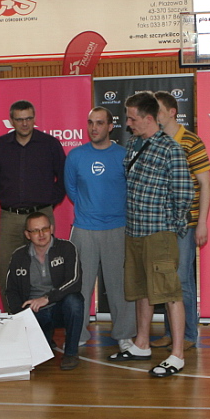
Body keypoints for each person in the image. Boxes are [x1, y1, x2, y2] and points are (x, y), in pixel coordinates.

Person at [108, 92, 193, 378]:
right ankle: (141, 344)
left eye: (132, 118)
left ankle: (177, 354)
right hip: (134, 231)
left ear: (148, 118)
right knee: (142, 290)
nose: (128, 123)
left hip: (159, 234)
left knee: (169, 293)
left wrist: (170, 227)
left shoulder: (171, 149)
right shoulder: (134, 145)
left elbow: (184, 194)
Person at [64, 107, 135, 352]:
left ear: (110, 127)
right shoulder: (76, 156)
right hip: (84, 229)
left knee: (119, 286)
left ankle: (124, 334)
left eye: (100, 123)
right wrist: (90, 210)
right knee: (80, 286)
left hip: (117, 228)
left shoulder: (123, 155)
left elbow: (130, 190)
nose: (94, 128)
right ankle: (79, 333)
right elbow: (72, 189)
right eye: (90, 122)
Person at [149, 91, 210, 351]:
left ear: (172, 112)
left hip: (185, 223)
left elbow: (205, 184)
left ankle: (188, 335)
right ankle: (170, 332)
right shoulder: (154, 141)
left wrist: (202, 222)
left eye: (158, 110)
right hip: (159, 224)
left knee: (182, 279)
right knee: (166, 278)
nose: (154, 115)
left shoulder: (191, 141)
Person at [0, 100, 66, 312]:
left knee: (46, 269)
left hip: (41, 215)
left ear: (34, 119)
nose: (25, 123)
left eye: (29, 118)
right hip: (11, 218)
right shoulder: (0, 146)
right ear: (11, 121)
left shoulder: (50, 144)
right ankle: (13, 319)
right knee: (6, 270)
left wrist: (49, 201)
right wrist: (7, 197)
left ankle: (45, 320)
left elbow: (64, 177)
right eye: (20, 119)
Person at [6, 212, 83, 371]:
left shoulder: (66, 248)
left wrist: (47, 298)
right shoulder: (18, 256)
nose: (41, 234)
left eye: (45, 229)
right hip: (35, 312)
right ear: (27, 234)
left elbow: (74, 281)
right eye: (35, 231)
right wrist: (22, 317)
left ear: (52, 229)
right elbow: (11, 290)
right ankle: (44, 338)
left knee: (75, 302)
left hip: (59, 307)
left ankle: (71, 353)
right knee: (38, 357)